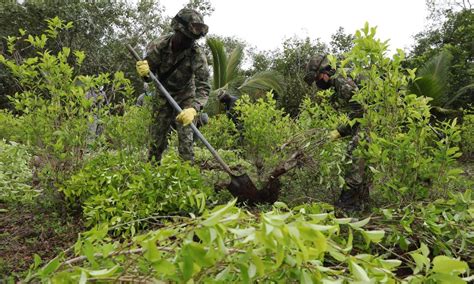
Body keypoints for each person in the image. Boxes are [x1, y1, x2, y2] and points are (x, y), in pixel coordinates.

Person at [135, 8, 211, 163]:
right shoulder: (158, 47)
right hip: (162, 94)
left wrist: (194, 108)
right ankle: (151, 172)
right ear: (177, 30)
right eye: (186, 37)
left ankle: (186, 175)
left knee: (186, 141)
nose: (189, 42)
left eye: (192, 39)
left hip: (186, 97)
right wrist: (144, 74)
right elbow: (149, 79)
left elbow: (204, 87)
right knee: (157, 139)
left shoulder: (196, 54)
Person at [304, 54, 369, 210]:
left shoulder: (342, 79)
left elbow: (360, 109)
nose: (318, 83)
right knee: (364, 162)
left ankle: (347, 206)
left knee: (354, 155)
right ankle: (362, 204)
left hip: (374, 119)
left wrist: (340, 131)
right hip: (373, 119)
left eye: (318, 78)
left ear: (325, 72)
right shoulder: (342, 77)